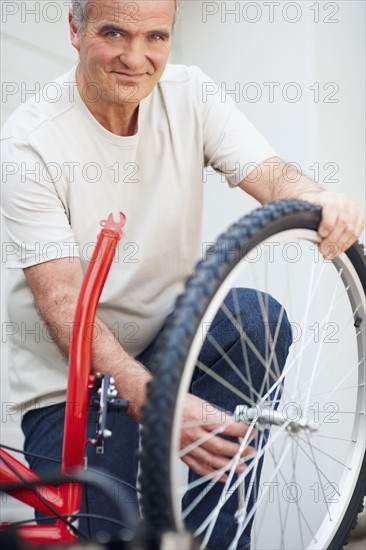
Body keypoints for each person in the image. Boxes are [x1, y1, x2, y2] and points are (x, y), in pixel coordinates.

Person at [1, 0, 364, 548]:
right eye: (114, 33)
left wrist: (319, 200)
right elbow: (63, 305)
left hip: (173, 345)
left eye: (155, 38)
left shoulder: (191, 92)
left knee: (254, 318)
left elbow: (270, 176)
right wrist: (164, 406)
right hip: (72, 384)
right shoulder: (29, 142)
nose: (135, 57)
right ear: (74, 30)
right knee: (115, 538)